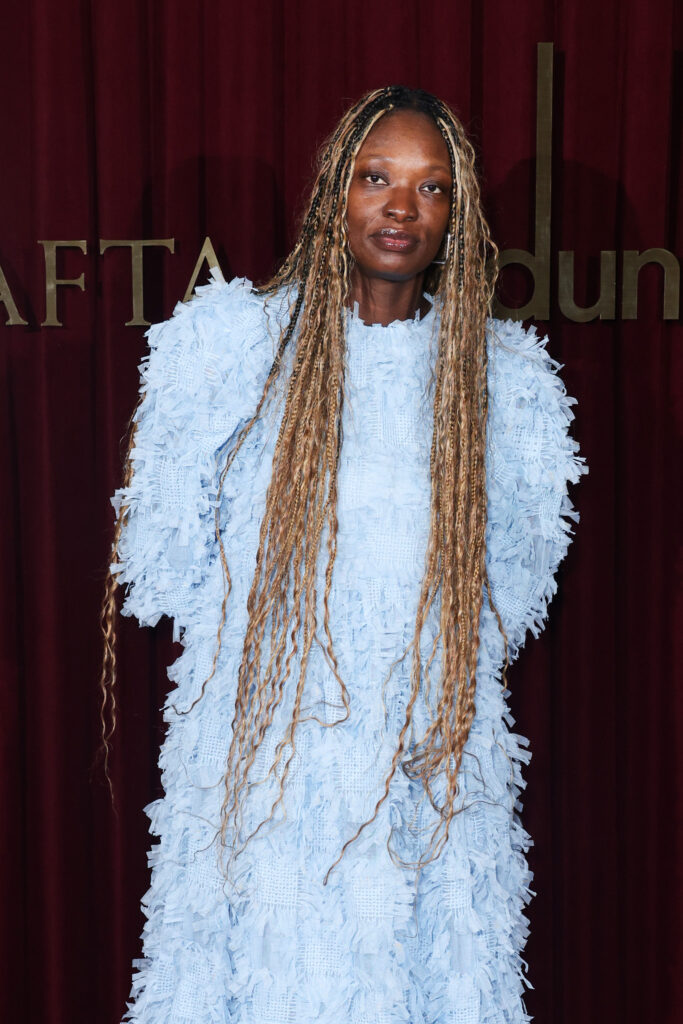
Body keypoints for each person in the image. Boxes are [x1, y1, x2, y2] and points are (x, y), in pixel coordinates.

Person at [101, 85, 587, 1024]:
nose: (400, 208)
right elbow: (162, 562)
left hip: (432, 755)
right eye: (376, 178)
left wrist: (409, 669)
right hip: (260, 754)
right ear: (335, 190)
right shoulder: (226, 346)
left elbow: (515, 586)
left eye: (430, 187)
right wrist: (276, 666)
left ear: (456, 214)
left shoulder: (506, 379)